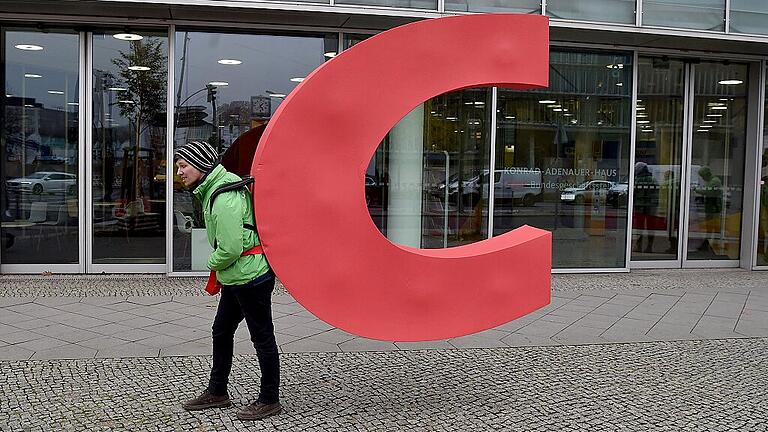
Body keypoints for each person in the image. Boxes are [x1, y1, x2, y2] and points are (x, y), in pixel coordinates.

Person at [175, 140, 281, 421]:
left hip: (250, 276)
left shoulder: (224, 198)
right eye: (179, 166)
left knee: (262, 337)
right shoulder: (216, 189)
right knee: (221, 331)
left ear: (200, 165)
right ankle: (218, 391)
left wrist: (210, 263)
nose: (180, 172)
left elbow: (231, 248)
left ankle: (270, 399)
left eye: (184, 165)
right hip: (237, 276)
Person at [632, 162, 659, 254]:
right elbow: (657, 193)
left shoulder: (636, 180)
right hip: (651, 207)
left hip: (639, 206)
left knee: (639, 227)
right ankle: (649, 246)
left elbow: (633, 193)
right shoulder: (653, 179)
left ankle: (638, 245)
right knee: (651, 227)